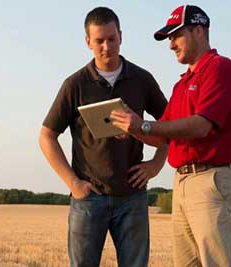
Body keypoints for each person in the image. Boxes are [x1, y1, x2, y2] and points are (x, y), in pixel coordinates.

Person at [111, 5, 231, 267]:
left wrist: (145, 126)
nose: (171, 45)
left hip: (211, 179)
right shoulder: (182, 84)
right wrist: (133, 130)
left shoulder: (220, 68)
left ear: (198, 31)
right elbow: (164, 136)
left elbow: (201, 125)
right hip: (182, 181)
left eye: (175, 36)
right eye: (169, 38)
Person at [38, 6, 168, 267]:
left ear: (121, 36)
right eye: (99, 40)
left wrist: (155, 165)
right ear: (88, 42)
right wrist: (73, 183)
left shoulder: (142, 79)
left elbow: (169, 126)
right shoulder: (74, 85)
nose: (106, 46)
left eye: (111, 38)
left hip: (133, 197)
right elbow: (46, 136)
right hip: (88, 200)